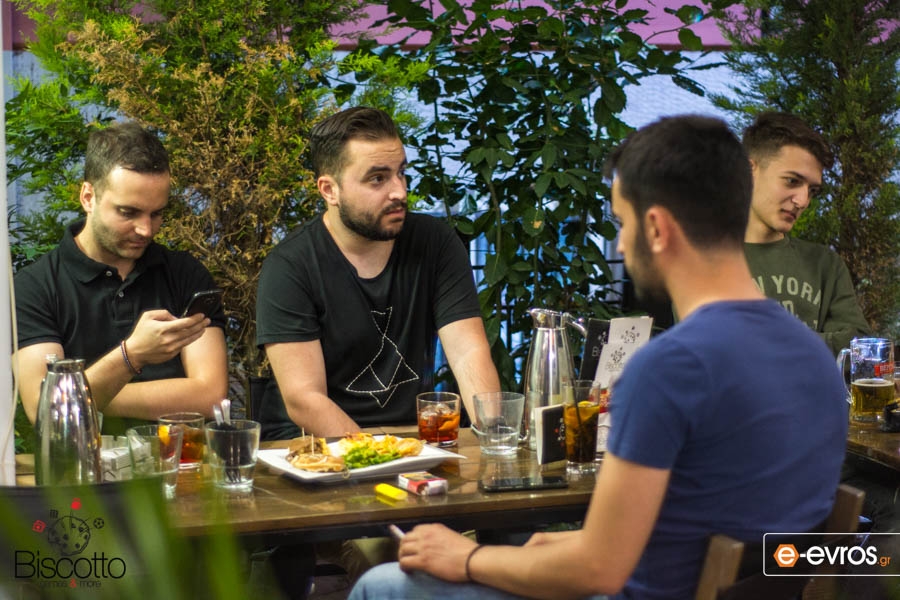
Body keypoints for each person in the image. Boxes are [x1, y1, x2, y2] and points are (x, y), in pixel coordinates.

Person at [348, 115, 849, 600]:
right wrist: (566, 546)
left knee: (383, 586)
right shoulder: (815, 356)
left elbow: (599, 569)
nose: (622, 245)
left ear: (656, 228)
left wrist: (466, 557)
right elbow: (700, 520)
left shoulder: (669, 369)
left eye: (623, 224)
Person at [256, 106, 500, 439]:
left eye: (401, 173)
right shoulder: (290, 265)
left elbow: (468, 352)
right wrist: (377, 457)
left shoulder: (436, 242)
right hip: (309, 445)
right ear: (329, 190)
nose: (399, 191)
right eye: (377, 179)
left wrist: (494, 436)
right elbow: (305, 399)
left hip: (411, 439)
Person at [14, 121, 229, 435]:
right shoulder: (35, 287)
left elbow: (210, 397)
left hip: (178, 462)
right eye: (128, 212)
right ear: (88, 197)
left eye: (157, 213)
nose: (145, 229)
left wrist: (84, 398)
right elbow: (45, 415)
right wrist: (132, 355)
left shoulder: (184, 273)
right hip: (83, 464)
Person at [742, 111, 871, 355]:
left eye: (812, 191)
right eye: (792, 181)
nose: (802, 201)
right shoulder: (701, 260)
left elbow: (857, 346)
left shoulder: (825, 265)